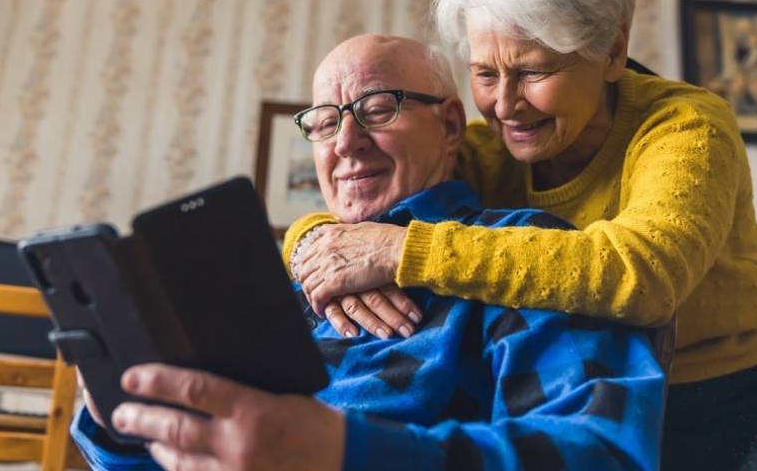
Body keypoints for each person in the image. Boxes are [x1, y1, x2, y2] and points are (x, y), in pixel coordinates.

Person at [285, 0, 757, 471]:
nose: (504, 105)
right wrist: (315, 241)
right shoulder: (484, 148)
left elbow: (643, 275)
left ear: (612, 50)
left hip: (732, 380)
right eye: (485, 73)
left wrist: (399, 250)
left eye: (533, 71)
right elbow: (368, 201)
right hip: (603, 384)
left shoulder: (685, 127)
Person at [71, 34, 666, 470]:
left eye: (378, 109)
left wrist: (346, 453)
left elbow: (601, 454)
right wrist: (118, 422)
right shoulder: (291, 280)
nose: (347, 143)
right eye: (325, 123)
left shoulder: (528, 255)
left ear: (452, 127)